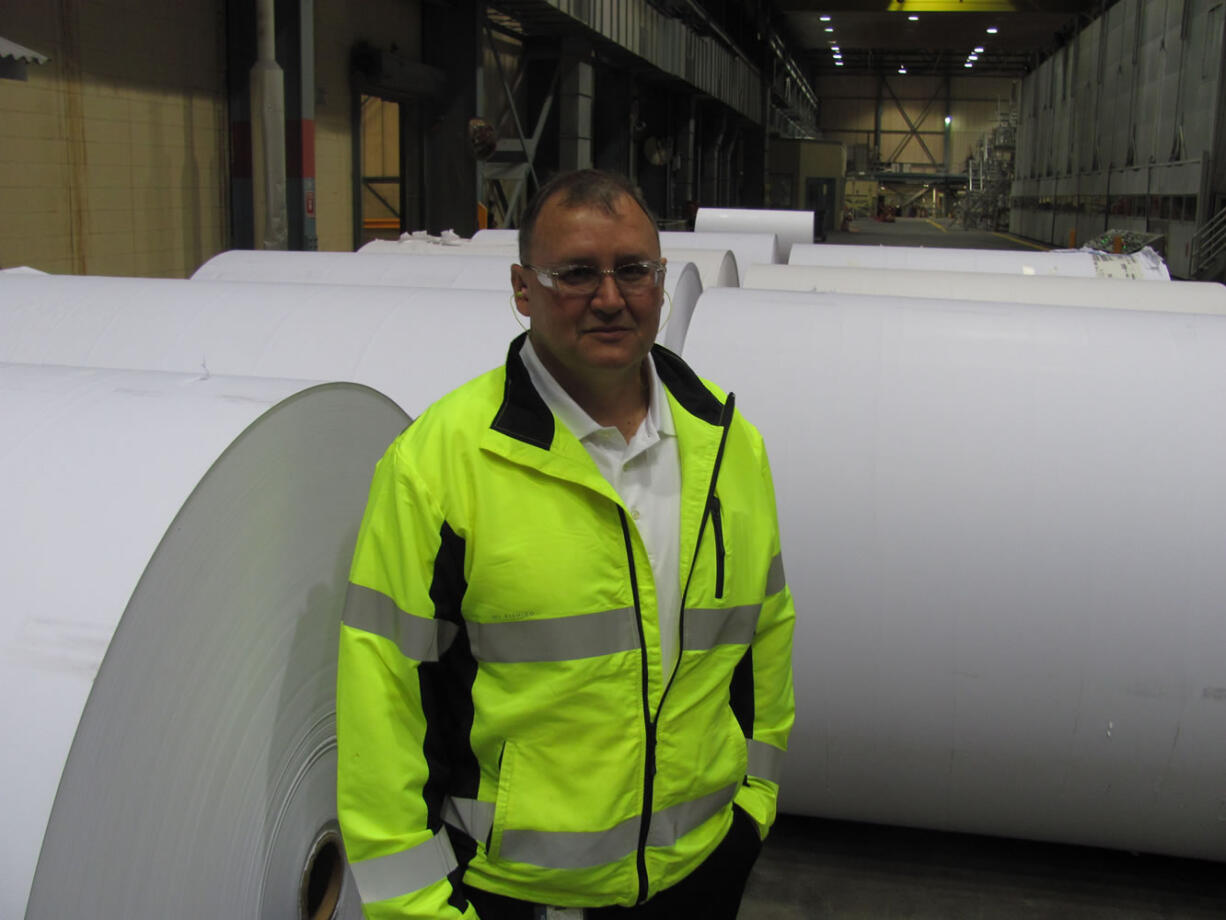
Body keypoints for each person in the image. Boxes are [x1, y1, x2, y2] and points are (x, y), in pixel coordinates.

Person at [336, 169, 796, 919]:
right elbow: (383, 703)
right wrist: (417, 907)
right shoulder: (441, 465)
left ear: (664, 282)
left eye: (634, 271)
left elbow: (765, 639)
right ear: (523, 289)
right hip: (514, 897)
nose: (610, 298)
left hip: (701, 877)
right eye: (576, 273)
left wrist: (752, 808)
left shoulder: (729, 447)